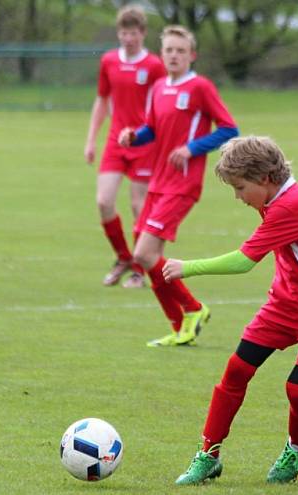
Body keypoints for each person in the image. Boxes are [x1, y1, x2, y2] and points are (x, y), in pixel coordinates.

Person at [162, 136, 298, 485]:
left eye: (240, 187)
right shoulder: (274, 198)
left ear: (265, 178)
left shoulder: (289, 206)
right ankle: (209, 453)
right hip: (283, 305)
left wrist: (187, 267)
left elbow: (243, 262)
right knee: (236, 370)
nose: (238, 197)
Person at [119, 25, 238, 347]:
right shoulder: (158, 87)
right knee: (146, 257)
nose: (174, 55)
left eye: (180, 51)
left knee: (144, 254)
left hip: (182, 184)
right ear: (162, 54)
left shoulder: (200, 87)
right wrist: (134, 136)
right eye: (169, 50)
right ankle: (180, 325)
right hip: (158, 181)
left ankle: (194, 309)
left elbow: (229, 128)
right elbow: (152, 129)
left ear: (191, 55)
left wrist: (192, 148)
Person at [84, 5, 166, 288]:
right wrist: (91, 140)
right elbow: (102, 100)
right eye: (123, 33)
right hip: (115, 141)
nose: (128, 38)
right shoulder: (108, 61)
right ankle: (123, 257)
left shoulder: (154, 66)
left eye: (133, 33)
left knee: (138, 206)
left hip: (144, 142)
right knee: (104, 201)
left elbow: (162, 104)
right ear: (118, 33)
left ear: (142, 34)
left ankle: (140, 271)